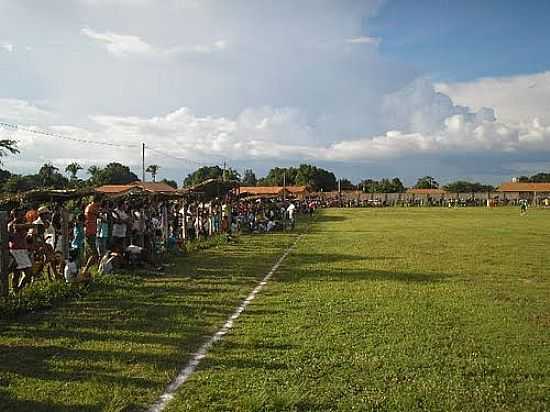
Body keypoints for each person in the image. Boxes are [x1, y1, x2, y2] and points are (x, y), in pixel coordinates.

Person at [8, 209, 34, 292]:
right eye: (21, 215)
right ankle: (15, 290)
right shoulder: (11, 225)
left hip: (23, 250)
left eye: (23, 215)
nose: (23, 217)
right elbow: (14, 232)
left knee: (28, 273)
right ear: (15, 216)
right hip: (15, 251)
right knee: (17, 273)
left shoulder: (23, 225)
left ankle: (17, 289)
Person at [84, 196, 100, 263]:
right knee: (93, 248)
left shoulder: (89, 206)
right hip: (90, 230)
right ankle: (94, 262)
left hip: (90, 229)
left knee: (90, 247)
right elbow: (98, 214)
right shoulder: (93, 207)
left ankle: (89, 261)